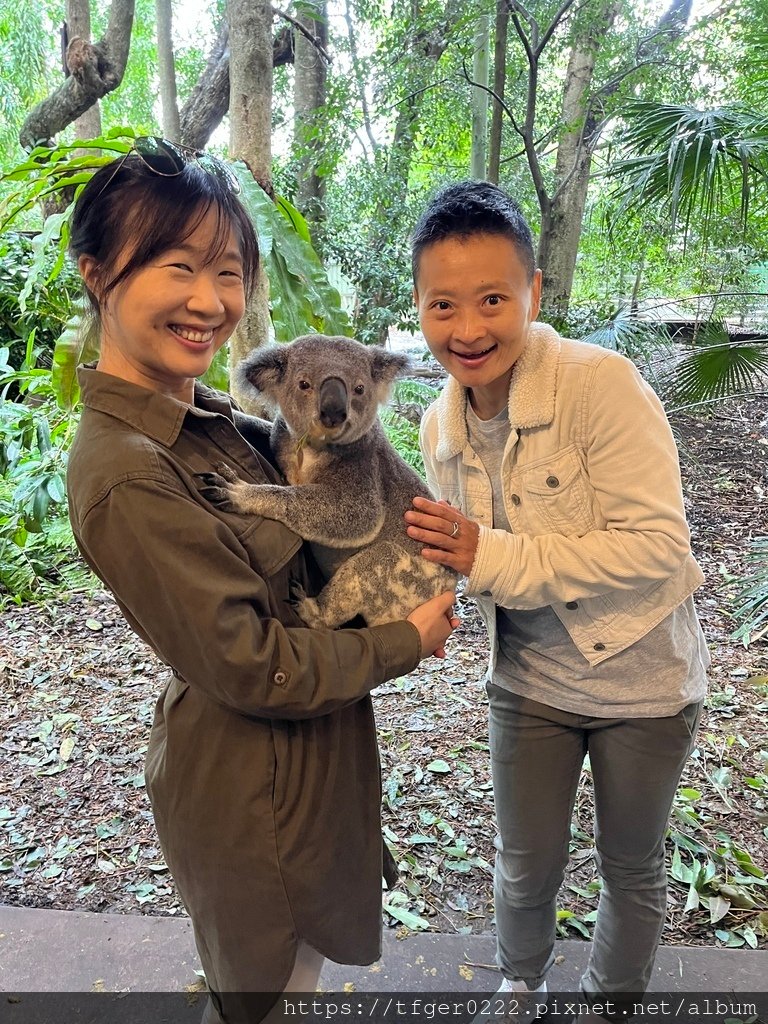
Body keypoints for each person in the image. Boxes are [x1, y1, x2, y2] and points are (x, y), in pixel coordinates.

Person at [65, 138, 458, 1024]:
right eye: (177, 267)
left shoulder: (200, 415)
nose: (210, 300)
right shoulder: (125, 471)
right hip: (256, 780)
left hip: (307, 760)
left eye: (229, 271)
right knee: (268, 994)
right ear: (97, 274)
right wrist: (409, 639)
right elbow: (252, 665)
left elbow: (330, 484)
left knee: (292, 980)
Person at [404, 181, 709, 1020]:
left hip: (642, 678)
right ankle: (521, 982)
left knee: (631, 865)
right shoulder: (440, 425)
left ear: (534, 293)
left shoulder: (599, 385)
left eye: (493, 299)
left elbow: (659, 545)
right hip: (528, 678)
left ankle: (609, 1003)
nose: (468, 330)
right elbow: (456, 555)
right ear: (421, 309)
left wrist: (487, 554)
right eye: (443, 305)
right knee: (523, 858)